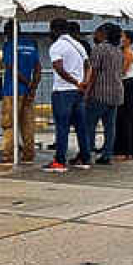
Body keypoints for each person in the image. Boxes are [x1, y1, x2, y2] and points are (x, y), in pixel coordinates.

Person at [45, 18, 89, 173]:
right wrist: (84, 82)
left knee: (62, 127)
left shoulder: (56, 46)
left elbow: (59, 68)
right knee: (80, 127)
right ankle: (84, 158)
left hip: (63, 91)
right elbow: (87, 65)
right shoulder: (78, 45)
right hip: (78, 92)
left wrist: (75, 82)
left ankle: (59, 161)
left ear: (54, 30)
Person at [0, 24, 41, 165]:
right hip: (28, 93)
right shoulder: (31, 45)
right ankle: (28, 155)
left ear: (9, 32)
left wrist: (26, 83)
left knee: (9, 123)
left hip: (11, 91)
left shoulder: (9, 45)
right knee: (27, 124)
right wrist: (33, 87)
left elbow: (11, 68)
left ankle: (8, 156)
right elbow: (38, 68)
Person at [84, 23, 124, 166]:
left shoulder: (99, 49)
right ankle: (107, 154)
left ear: (104, 34)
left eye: (97, 32)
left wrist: (87, 92)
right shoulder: (118, 51)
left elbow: (93, 73)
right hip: (116, 93)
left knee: (89, 124)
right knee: (109, 126)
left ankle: (86, 152)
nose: (94, 35)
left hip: (100, 93)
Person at [114, 30, 133, 161]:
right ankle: (131, 149)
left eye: (123, 37)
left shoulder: (127, 53)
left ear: (128, 39)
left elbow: (122, 72)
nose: (121, 39)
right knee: (129, 118)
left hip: (128, 85)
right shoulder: (132, 52)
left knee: (125, 118)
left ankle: (126, 150)